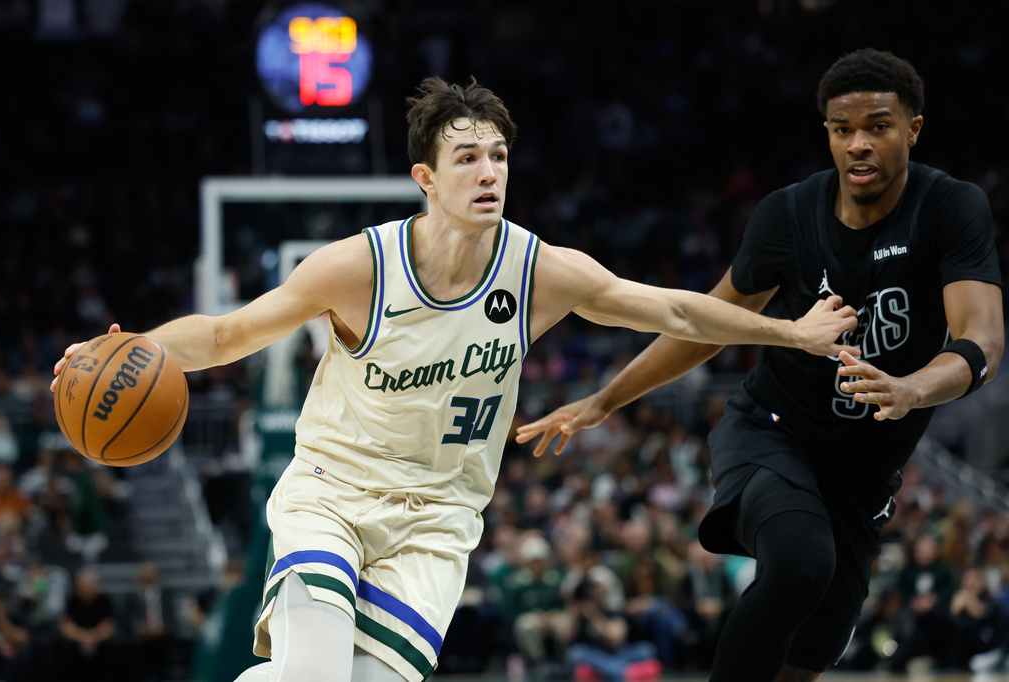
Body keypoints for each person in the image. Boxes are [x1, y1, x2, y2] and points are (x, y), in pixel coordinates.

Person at [52, 77, 859, 682]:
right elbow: (227, 333)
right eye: (466, 157)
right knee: (314, 671)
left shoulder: (541, 270)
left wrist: (789, 330)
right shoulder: (357, 267)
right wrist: (129, 350)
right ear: (426, 178)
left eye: (499, 156)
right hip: (334, 489)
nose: (488, 172)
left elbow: (677, 313)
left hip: (439, 519)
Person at [517, 48, 1004, 682]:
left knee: (806, 659)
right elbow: (702, 327)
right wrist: (604, 401)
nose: (858, 144)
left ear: (913, 129)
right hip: (773, 432)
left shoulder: (951, 209)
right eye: (841, 129)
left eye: (878, 127)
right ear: (826, 132)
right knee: (800, 561)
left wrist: (912, 388)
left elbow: (983, 341)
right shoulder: (789, 215)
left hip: (863, 478)